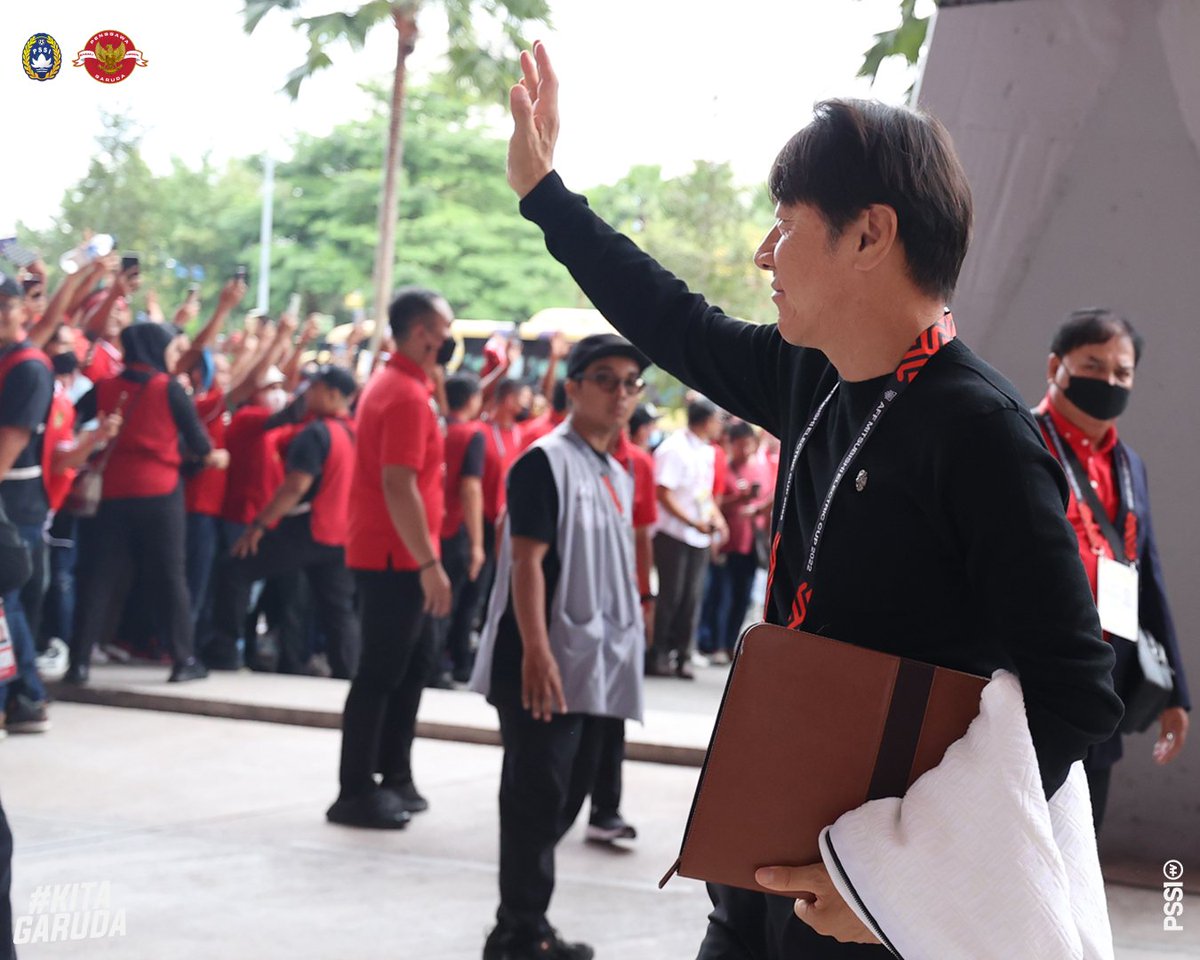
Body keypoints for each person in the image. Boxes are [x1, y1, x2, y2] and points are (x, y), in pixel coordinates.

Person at [506, 43, 1122, 958]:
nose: (764, 252)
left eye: (785, 223)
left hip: (872, 901)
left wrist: (898, 874)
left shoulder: (983, 433)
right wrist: (545, 193)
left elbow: (1076, 698)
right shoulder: (814, 377)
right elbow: (675, 319)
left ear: (870, 235)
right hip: (762, 857)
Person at [470, 333, 647, 960]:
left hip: (591, 664)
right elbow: (525, 565)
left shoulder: (614, 471)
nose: (620, 392)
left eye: (631, 381)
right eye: (605, 378)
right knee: (535, 796)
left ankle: (524, 924)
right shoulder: (543, 461)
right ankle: (518, 932)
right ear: (571, 387)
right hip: (539, 662)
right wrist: (538, 656)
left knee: (564, 796)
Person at [1034, 309, 1190, 829]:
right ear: (1057, 365)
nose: (1108, 382)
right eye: (1093, 365)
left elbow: (1150, 579)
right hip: (1026, 682)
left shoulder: (1130, 466)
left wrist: (1176, 693)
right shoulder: (1021, 442)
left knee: (1080, 843)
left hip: (1104, 687)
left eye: (1122, 373)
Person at [327, 287, 453, 830]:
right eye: (445, 332)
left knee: (413, 665)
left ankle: (393, 773)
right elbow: (397, 483)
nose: (450, 342)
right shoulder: (400, 393)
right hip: (393, 556)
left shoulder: (406, 385)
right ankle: (355, 789)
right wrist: (429, 563)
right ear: (423, 333)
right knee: (380, 673)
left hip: (399, 552)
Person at [64, 323, 229, 685]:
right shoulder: (168, 388)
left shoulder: (105, 386)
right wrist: (213, 457)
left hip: (111, 495)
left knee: (98, 578)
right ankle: (182, 659)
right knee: (170, 576)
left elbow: (69, 417)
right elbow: (200, 445)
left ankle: (78, 663)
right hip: (160, 494)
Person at [209, 366, 362, 679]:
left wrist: (259, 526)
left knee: (234, 568)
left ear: (332, 394)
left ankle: (224, 653)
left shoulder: (317, 433)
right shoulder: (352, 432)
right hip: (339, 534)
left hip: (307, 528)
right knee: (337, 609)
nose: (307, 393)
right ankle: (349, 671)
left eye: (314, 388)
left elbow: (295, 486)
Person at [0, 271, 55, 732]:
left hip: (14, 498)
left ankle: (28, 695)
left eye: (5, 304)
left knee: (8, 599)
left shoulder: (29, 367)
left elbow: (11, 441)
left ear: (22, 310)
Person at [650, 399, 726, 678]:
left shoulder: (706, 451)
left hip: (699, 536)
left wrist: (717, 518)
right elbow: (663, 492)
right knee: (671, 596)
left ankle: (683, 655)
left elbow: (702, 492)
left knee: (692, 599)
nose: (720, 425)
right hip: (674, 533)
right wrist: (693, 521)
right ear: (705, 420)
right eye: (717, 418)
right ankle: (659, 653)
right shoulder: (674, 449)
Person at [434, 371, 487, 687]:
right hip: (454, 528)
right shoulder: (472, 434)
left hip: (430, 525)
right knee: (448, 603)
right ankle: (437, 666)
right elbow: (470, 488)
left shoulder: (437, 427)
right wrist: (478, 544)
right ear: (471, 400)